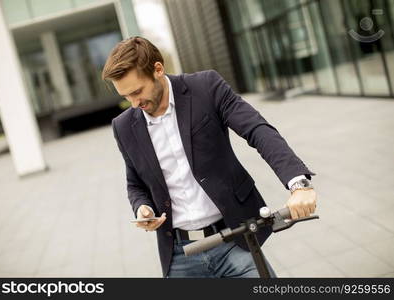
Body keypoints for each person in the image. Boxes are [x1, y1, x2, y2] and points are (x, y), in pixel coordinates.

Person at [102, 36, 317, 278]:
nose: (134, 103)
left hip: (235, 239)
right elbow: (135, 183)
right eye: (126, 97)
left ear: (158, 69)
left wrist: (298, 184)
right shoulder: (123, 126)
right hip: (180, 256)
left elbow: (257, 129)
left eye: (137, 91)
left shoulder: (205, 87)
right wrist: (142, 207)